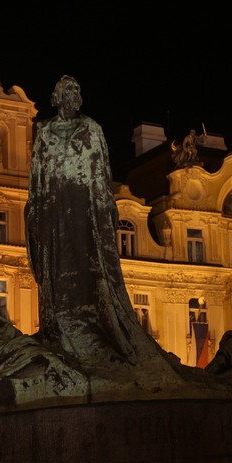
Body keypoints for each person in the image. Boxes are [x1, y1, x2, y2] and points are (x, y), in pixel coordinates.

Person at [25, 76, 184, 378]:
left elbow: (101, 172)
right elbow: (37, 175)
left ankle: (89, 322)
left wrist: (106, 208)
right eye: (66, 92)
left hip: (84, 206)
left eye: (76, 92)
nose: (72, 96)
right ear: (56, 98)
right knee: (57, 265)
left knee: (88, 263)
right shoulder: (43, 131)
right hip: (54, 205)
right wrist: (35, 208)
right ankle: (59, 324)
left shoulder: (92, 128)